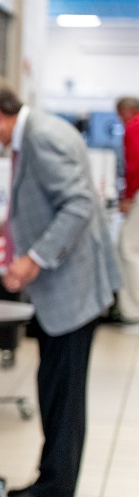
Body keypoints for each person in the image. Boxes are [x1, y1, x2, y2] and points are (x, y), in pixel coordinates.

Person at [0, 75, 121, 497]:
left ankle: (56, 492)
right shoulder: (37, 132)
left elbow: (79, 204)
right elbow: (47, 202)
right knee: (54, 386)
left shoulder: (43, 138)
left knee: (63, 392)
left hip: (71, 286)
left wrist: (33, 259)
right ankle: (50, 480)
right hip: (67, 284)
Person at [115, 96, 139, 326]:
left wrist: (128, 197)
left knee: (128, 248)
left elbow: (135, 165)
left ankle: (133, 310)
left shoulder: (134, 127)